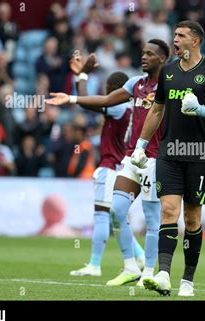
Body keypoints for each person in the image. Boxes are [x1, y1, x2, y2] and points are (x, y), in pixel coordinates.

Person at [46, 39, 170, 286]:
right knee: (116, 211)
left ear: (162, 59)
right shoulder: (136, 84)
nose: (143, 56)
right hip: (131, 158)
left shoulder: (170, 85)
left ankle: (148, 273)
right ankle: (130, 267)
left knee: (152, 219)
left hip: (155, 159)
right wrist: (71, 99)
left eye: (150, 54)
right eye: (142, 52)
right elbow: (104, 100)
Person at [131, 21, 205, 296]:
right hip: (169, 154)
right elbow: (156, 110)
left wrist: (201, 110)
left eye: (180, 36)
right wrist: (140, 145)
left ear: (195, 41)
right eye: (174, 35)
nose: (174, 39)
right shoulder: (167, 72)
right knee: (168, 211)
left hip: (199, 156)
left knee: (191, 218)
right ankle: (163, 273)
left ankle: (187, 280)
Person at [67, 55, 145, 277]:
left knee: (102, 214)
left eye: (107, 88)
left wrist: (83, 74)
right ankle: (138, 255)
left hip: (111, 165)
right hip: (123, 167)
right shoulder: (131, 108)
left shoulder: (118, 106)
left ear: (115, 89)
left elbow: (84, 99)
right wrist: (78, 75)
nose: (104, 92)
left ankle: (94, 265)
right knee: (116, 216)